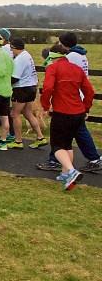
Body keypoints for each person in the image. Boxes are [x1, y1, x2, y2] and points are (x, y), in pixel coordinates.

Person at [40, 40, 95, 191]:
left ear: (52, 56)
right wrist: (86, 108)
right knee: (67, 144)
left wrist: (45, 106)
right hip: (78, 112)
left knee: (57, 146)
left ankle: (71, 171)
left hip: (62, 113)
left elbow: (48, 88)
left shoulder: (53, 68)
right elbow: (89, 91)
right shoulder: (77, 69)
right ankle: (67, 177)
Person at [9, 38, 47, 149]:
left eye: (12, 49)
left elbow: (15, 77)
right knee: (28, 113)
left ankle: (18, 141)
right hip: (31, 87)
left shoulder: (19, 59)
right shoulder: (27, 55)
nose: (11, 51)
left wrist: (5, 84)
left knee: (15, 114)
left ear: (15, 48)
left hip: (21, 88)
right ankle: (40, 137)